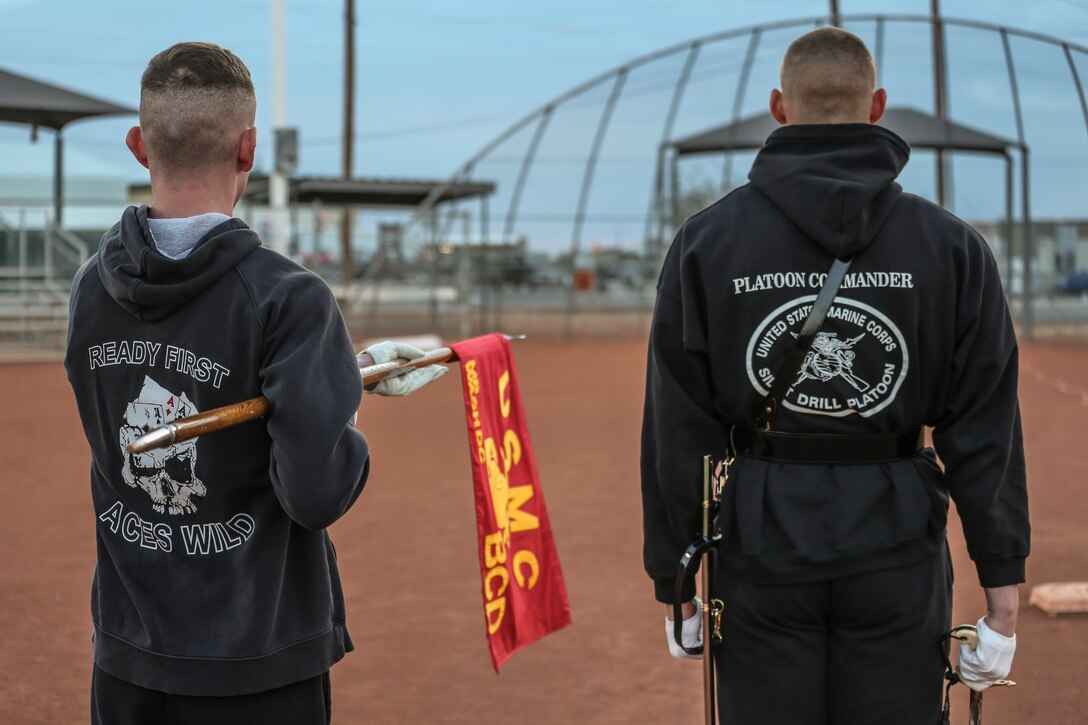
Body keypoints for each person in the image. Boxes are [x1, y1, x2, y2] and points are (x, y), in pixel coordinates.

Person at [641, 27, 1028, 724]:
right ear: (878, 106)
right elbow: (984, 426)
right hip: (897, 537)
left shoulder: (707, 242)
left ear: (777, 108)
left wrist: (679, 583)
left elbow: (679, 428)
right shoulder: (951, 247)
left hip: (759, 536)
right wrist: (1002, 588)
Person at [64, 42, 445, 724]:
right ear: (248, 149)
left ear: (137, 146)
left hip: (128, 654)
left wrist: (324, 383)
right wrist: (339, 408)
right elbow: (317, 490)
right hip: (258, 663)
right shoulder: (289, 299)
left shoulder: (91, 288)